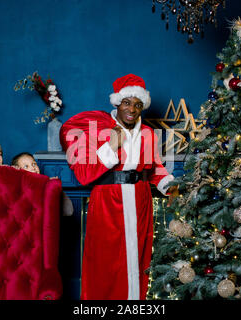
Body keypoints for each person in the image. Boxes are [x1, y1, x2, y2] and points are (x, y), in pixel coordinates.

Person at [60, 74, 178, 300]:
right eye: (127, 102)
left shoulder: (148, 134)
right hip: (107, 201)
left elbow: (154, 168)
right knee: (107, 263)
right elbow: (85, 173)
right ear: (117, 103)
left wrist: (169, 186)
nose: (132, 109)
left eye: (137, 104)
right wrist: (111, 146)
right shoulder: (98, 130)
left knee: (139, 259)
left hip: (140, 200)